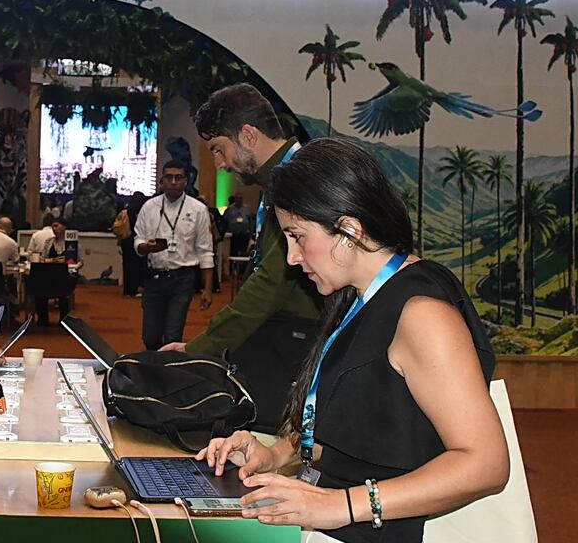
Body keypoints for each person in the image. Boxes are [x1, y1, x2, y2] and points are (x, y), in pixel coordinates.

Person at [197, 138, 508, 542]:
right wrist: (274, 454)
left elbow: (485, 464)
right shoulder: (357, 298)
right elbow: (364, 431)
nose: (292, 257)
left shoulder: (421, 315)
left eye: (297, 236)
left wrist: (340, 505)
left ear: (348, 231)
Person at [162, 83, 323, 431]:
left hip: (293, 342)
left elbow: (271, 283)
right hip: (280, 335)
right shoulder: (285, 178)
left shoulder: (300, 181)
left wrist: (200, 348)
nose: (219, 164)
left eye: (219, 150)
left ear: (248, 135)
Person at [133, 161, 214, 350]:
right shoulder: (149, 207)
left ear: (186, 181)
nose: (173, 181)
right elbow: (138, 242)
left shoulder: (198, 209)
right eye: (168, 177)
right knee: (150, 337)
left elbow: (206, 251)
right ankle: (154, 367)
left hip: (182, 279)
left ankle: (166, 375)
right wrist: (147, 247)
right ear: (162, 180)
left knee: (173, 335)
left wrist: (207, 289)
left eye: (178, 177)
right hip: (154, 277)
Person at [119, 191, 148, 297]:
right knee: (137, 267)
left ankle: (128, 290)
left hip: (126, 241)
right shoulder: (141, 212)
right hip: (137, 241)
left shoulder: (126, 210)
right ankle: (136, 288)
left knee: (127, 267)